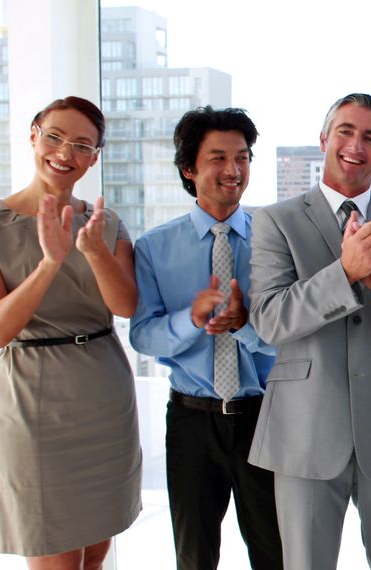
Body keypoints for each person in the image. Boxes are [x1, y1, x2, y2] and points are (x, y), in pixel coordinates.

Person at [247, 93, 371, 570]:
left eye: (370, 138)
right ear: (324, 139)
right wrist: (346, 271)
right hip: (304, 434)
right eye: (345, 131)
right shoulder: (275, 221)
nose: (356, 145)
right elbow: (271, 319)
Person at [0, 96, 141, 568]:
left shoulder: (105, 223)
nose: (64, 152)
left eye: (81, 145)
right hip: (33, 403)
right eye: (54, 136)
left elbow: (125, 305)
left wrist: (92, 251)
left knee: (95, 552)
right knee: (55, 555)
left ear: (94, 157)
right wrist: (50, 262)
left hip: (103, 397)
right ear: (33, 133)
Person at [129, 106, 283, 569]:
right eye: (218, 157)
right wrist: (190, 320)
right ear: (189, 168)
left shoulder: (275, 239)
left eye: (243, 157)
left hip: (267, 416)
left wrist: (245, 325)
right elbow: (144, 336)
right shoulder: (154, 247)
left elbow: (299, 335)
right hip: (193, 421)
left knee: (277, 551)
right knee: (194, 556)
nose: (233, 170)